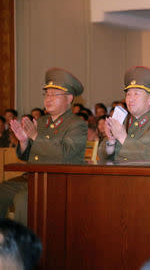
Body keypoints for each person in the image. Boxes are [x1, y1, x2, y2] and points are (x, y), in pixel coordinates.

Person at [0, 68, 87, 225]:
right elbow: (27, 156)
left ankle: (24, 247)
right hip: (34, 178)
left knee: (23, 200)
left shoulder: (77, 124)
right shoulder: (42, 122)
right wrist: (24, 141)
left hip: (59, 181)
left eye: (54, 94)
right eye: (47, 94)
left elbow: (64, 154)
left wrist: (35, 136)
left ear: (69, 98)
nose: (48, 98)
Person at [98, 66, 150, 162]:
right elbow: (102, 157)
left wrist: (122, 137)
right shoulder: (121, 121)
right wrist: (111, 141)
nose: (130, 99)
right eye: (128, 94)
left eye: (136, 94)